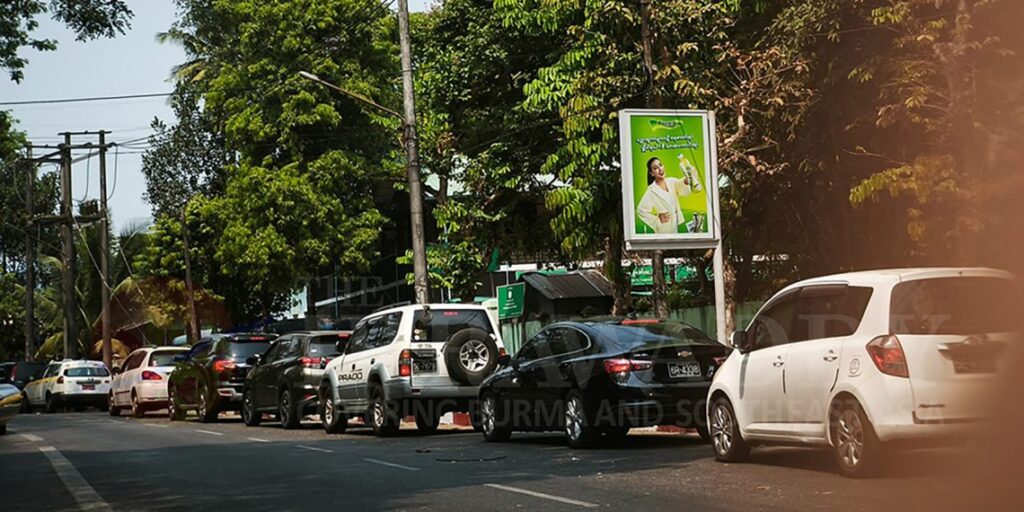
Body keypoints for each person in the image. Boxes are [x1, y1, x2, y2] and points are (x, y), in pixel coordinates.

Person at [636, 157, 692, 233]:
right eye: (655, 168)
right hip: (664, 229)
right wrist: (657, 219)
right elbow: (641, 210)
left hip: (675, 226)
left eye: (660, 165)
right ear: (652, 173)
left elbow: (680, 185)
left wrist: (686, 180)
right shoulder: (651, 190)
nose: (660, 169)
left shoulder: (671, 181)